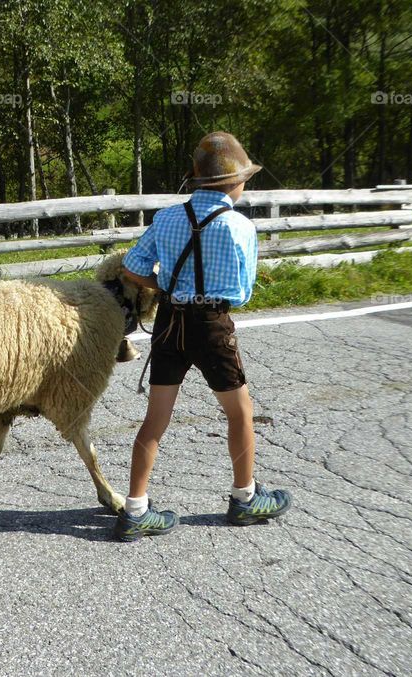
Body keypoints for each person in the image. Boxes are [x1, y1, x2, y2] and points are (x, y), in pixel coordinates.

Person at [113, 132, 292, 541]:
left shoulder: (167, 218)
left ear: (199, 181)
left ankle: (135, 509)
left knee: (155, 419)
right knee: (240, 413)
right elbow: (241, 293)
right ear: (235, 183)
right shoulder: (239, 227)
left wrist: (163, 286)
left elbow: (132, 268)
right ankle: (244, 499)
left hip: (170, 321)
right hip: (211, 325)